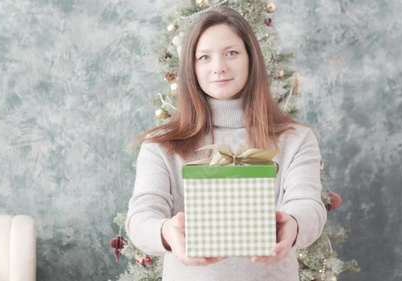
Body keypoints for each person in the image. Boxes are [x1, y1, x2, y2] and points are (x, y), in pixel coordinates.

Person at [126, 6, 327, 281]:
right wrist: (166, 231)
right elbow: (141, 216)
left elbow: (307, 203)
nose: (219, 67)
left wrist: (293, 223)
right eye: (204, 57)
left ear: (250, 59)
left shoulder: (295, 138)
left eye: (231, 53)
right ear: (191, 67)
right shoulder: (161, 145)